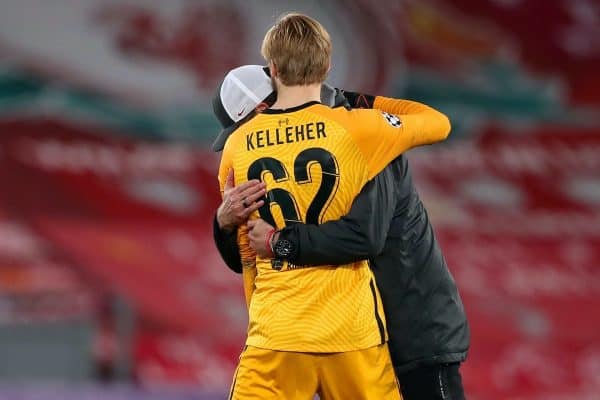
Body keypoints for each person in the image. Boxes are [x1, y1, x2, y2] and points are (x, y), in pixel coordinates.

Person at [216, 13, 451, 400]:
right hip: (352, 331)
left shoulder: (237, 147)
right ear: (327, 66)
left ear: (272, 69)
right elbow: (437, 122)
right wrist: (367, 105)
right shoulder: (359, 128)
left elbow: (245, 254)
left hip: (277, 332)